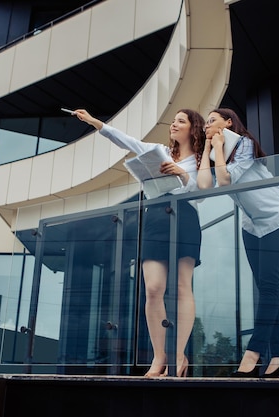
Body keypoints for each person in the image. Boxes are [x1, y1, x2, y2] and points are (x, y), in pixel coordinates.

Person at [71, 108, 206, 377]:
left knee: (181, 287)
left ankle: (179, 356)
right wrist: (96, 121)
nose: (174, 125)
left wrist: (181, 173)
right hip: (156, 217)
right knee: (154, 288)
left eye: (181, 120)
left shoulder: (202, 159)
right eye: (173, 120)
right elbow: (126, 141)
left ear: (193, 128)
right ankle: (159, 357)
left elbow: (202, 193)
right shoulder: (158, 150)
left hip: (185, 216)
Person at [197, 108, 279, 378]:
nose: (207, 125)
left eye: (212, 120)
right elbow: (206, 185)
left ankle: (254, 353)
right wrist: (207, 148)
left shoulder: (245, 144)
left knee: (270, 287)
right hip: (251, 226)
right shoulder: (217, 154)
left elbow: (226, 180)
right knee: (267, 288)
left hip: (275, 219)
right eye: (206, 123)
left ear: (228, 122)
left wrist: (217, 146)